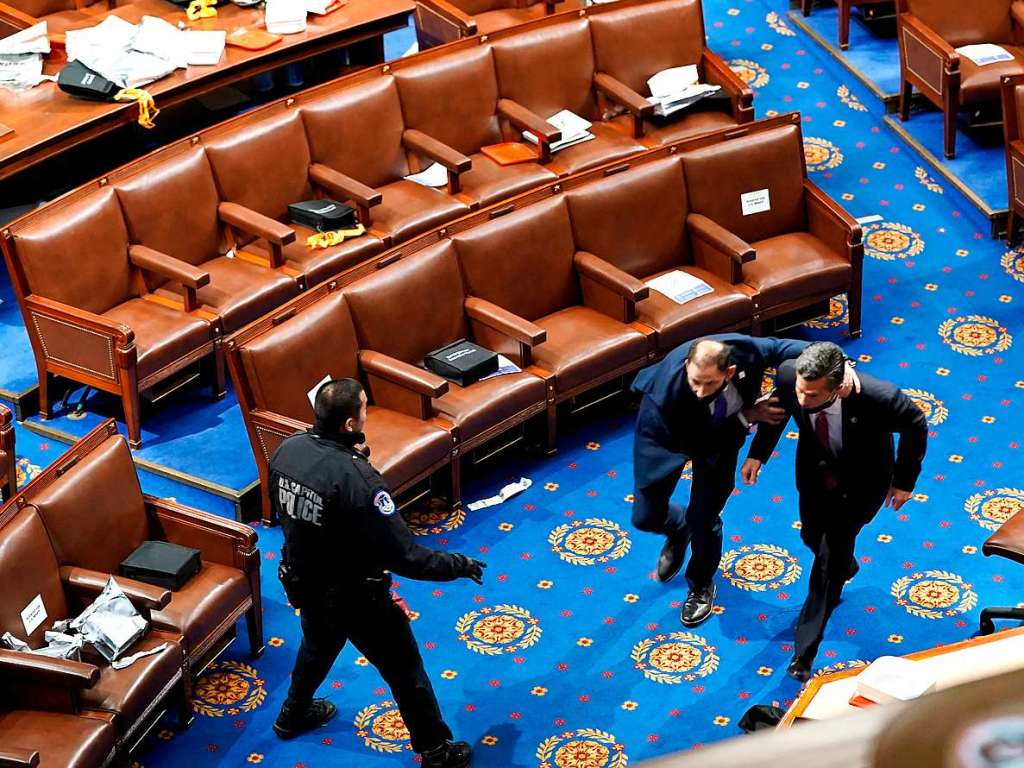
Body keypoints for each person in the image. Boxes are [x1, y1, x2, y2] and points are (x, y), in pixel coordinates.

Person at [269, 378, 485, 768]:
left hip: (304, 582)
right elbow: (406, 557)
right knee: (405, 671)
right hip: (357, 596)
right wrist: (460, 565)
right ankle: (436, 751)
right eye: (364, 407)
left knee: (317, 647)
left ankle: (292, 713)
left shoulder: (288, 450)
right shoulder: (360, 480)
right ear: (350, 424)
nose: (368, 410)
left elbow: (288, 514)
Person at [631, 334, 858, 628]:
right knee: (645, 517)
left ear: (728, 372)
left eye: (709, 383)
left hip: (721, 443)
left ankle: (700, 584)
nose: (700, 391)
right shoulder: (669, 393)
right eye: (695, 381)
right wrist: (747, 416)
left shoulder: (744, 351)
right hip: (666, 438)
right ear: (687, 365)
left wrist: (843, 366)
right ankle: (678, 527)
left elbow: (788, 348)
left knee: (704, 517)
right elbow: (698, 441)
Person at [741, 342, 927, 682]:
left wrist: (904, 482)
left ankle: (804, 652)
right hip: (815, 473)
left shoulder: (879, 397)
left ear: (839, 386)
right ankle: (845, 565)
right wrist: (759, 453)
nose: (803, 401)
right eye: (801, 391)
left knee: (827, 559)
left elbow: (916, 423)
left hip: (863, 483)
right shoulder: (789, 377)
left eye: (812, 396)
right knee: (811, 534)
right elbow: (778, 412)